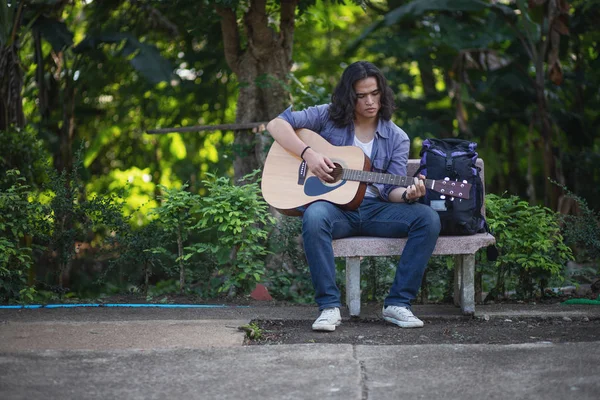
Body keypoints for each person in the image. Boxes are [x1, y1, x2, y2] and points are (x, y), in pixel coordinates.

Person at [266, 61, 440, 331]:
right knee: (314, 215)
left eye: (375, 93)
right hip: (337, 211)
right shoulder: (327, 116)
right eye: (361, 96)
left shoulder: (397, 138)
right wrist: (308, 154)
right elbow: (276, 125)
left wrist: (407, 194)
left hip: (376, 211)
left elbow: (390, 190)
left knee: (428, 219)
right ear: (350, 96)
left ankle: (398, 304)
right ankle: (329, 308)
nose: (370, 101)